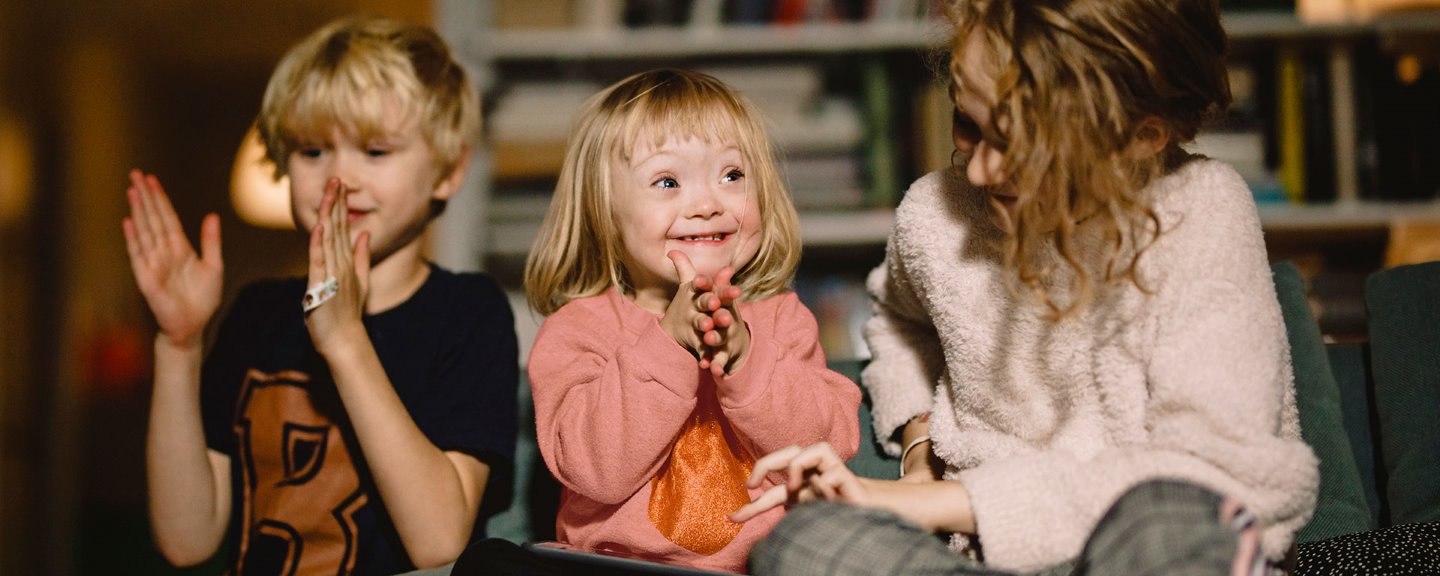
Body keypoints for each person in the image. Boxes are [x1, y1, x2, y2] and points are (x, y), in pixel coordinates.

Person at [731, 0, 1323, 574]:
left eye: (1018, 143)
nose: (982, 170)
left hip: (1162, 546)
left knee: (1169, 517)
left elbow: (1218, 475)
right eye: (967, 123)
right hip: (989, 560)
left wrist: (937, 504)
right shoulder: (936, 213)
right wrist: (919, 459)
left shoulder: (1200, 209)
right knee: (803, 543)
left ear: (1143, 135)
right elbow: (897, 321)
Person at [123, 16, 518, 575]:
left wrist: (346, 340)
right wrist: (179, 344)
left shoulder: (467, 314)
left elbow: (440, 545)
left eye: (375, 151)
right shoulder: (257, 315)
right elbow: (186, 540)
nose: (340, 177)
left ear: (449, 171)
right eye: (312, 151)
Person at [517, 69, 861, 574]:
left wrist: (747, 356)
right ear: (605, 211)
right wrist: (669, 343)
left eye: (732, 176)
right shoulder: (578, 329)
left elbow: (830, 449)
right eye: (667, 182)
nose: (706, 205)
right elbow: (596, 471)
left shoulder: (783, 317)